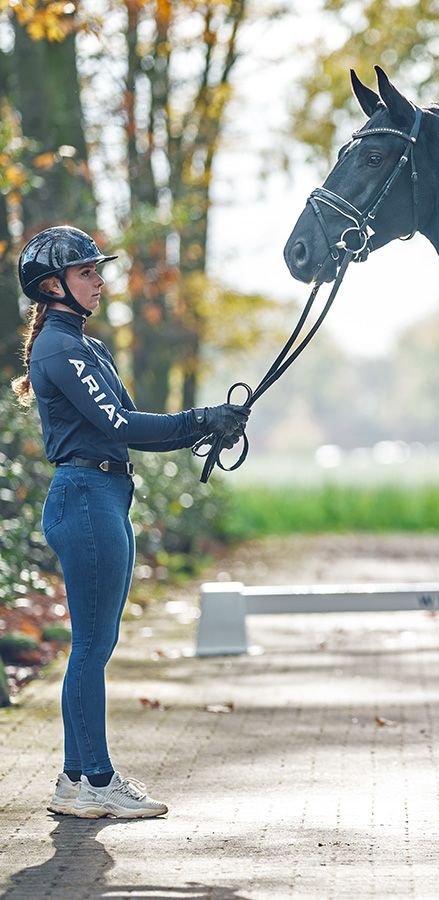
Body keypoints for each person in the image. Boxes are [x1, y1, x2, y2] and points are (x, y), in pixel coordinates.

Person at [10, 225, 250, 819]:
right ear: (52, 285)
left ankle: (75, 781)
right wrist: (200, 418)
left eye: (97, 270)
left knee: (97, 645)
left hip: (105, 495)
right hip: (86, 497)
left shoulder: (84, 347)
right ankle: (96, 779)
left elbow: (127, 425)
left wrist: (205, 426)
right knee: (91, 647)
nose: (99, 280)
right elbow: (120, 425)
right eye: (87, 272)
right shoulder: (61, 349)